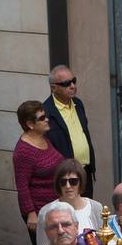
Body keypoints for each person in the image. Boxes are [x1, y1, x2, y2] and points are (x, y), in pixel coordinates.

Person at [12, 100, 66, 245]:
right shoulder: (24, 151)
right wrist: (31, 214)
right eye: (41, 118)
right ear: (29, 124)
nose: (47, 120)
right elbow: (22, 185)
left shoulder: (44, 138)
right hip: (37, 208)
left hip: (53, 203)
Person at [42, 64, 96, 196]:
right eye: (66, 83)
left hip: (85, 173)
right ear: (53, 88)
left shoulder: (78, 104)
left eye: (74, 81)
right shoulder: (46, 112)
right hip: (65, 178)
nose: (72, 86)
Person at [37, 159, 102, 245]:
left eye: (73, 181)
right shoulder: (46, 212)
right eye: (63, 182)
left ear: (81, 182)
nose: (68, 186)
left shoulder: (96, 208)